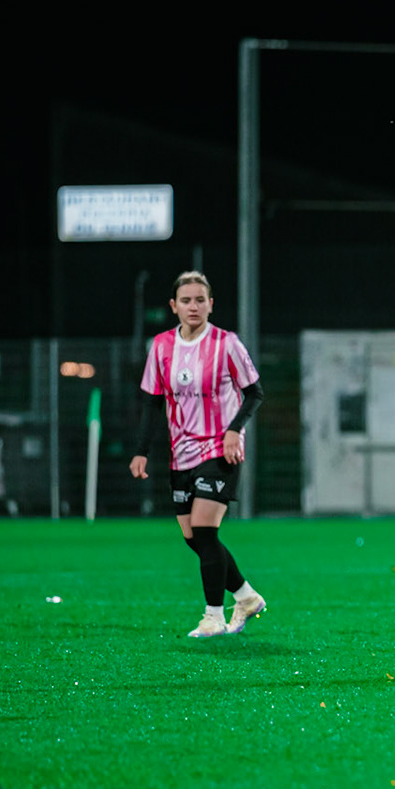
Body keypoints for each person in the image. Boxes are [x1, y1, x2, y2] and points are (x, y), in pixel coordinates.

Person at [130, 270, 268, 637]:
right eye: (186, 300)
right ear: (174, 306)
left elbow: (254, 392)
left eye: (200, 300)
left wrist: (234, 430)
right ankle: (245, 596)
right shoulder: (160, 347)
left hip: (220, 450)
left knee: (206, 532)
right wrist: (141, 450)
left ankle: (213, 616)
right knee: (193, 537)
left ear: (211, 304)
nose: (194, 306)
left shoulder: (227, 344)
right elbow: (151, 402)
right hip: (181, 454)